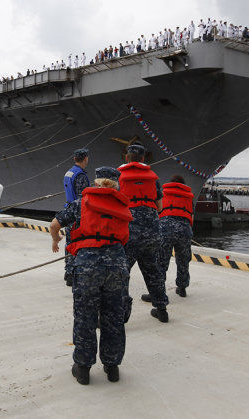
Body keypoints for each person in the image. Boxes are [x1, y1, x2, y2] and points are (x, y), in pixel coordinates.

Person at [50, 166, 132, 385]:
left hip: (87, 265)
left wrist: (56, 240)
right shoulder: (123, 204)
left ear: (96, 182)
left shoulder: (79, 204)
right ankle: (112, 366)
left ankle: (83, 368)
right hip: (116, 264)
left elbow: (54, 224)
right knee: (113, 315)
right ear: (117, 184)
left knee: (85, 316)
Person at [117, 144, 169, 323]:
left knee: (122, 272)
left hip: (129, 231)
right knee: (153, 269)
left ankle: (123, 314)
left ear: (126, 158)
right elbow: (160, 206)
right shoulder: (154, 179)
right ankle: (161, 309)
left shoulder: (119, 177)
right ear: (144, 159)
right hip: (152, 231)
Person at [158, 175, 195, 297]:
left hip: (166, 228)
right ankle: (182, 287)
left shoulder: (164, 193)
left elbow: (158, 210)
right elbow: (191, 216)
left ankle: (159, 290)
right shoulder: (189, 197)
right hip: (184, 229)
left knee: (162, 260)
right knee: (183, 260)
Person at [62, 148, 91, 286]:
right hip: (77, 214)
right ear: (85, 158)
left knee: (69, 242)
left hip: (68, 210)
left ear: (75, 159)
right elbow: (82, 197)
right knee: (76, 242)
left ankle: (68, 271)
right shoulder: (81, 176)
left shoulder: (69, 172)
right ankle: (72, 274)